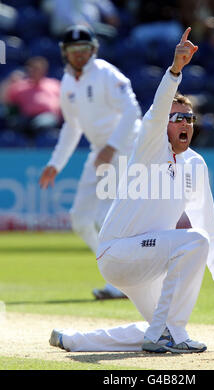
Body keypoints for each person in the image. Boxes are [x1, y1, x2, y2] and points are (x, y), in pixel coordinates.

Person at [49, 27, 214, 354]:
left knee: (160, 318)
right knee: (193, 243)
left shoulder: (195, 165)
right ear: (163, 126)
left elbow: (206, 221)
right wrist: (175, 70)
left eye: (189, 119)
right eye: (176, 118)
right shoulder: (150, 147)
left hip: (146, 260)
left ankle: (73, 340)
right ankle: (172, 335)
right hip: (119, 252)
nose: (184, 124)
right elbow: (155, 111)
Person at [39, 25, 141, 300]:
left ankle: (124, 280)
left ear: (93, 50)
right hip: (100, 151)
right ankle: (119, 277)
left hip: (125, 148)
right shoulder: (68, 83)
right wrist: (55, 164)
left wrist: (112, 146)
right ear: (65, 53)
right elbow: (72, 128)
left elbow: (133, 110)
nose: (79, 55)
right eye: (74, 51)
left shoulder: (107, 73)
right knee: (81, 220)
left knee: (102, 218)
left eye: (84, 50)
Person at [3, 56, 62, 140]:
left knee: (43, 122)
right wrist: (9, 81)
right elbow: (5, 101)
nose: (34, 71)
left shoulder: (54, 85)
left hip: (47, 117)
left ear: (44, 70)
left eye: (37, 68)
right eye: (32, 68)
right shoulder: (20, 86)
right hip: (26, 118)